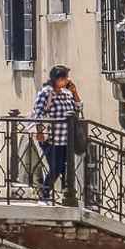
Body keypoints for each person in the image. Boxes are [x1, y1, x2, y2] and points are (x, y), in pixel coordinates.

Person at [30, 65, 82, 203]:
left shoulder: (67, 93)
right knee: (56, 167)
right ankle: (44, 194)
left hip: (66, 138)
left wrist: (75, 92)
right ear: (57, 79)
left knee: (65, 167)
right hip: (50, 138)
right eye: (64, 78)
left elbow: (78, 108)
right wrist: (39, 131)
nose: (66, 80)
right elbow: (38, 113)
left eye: (66, 78)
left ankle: (67, 195)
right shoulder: (46, 93)